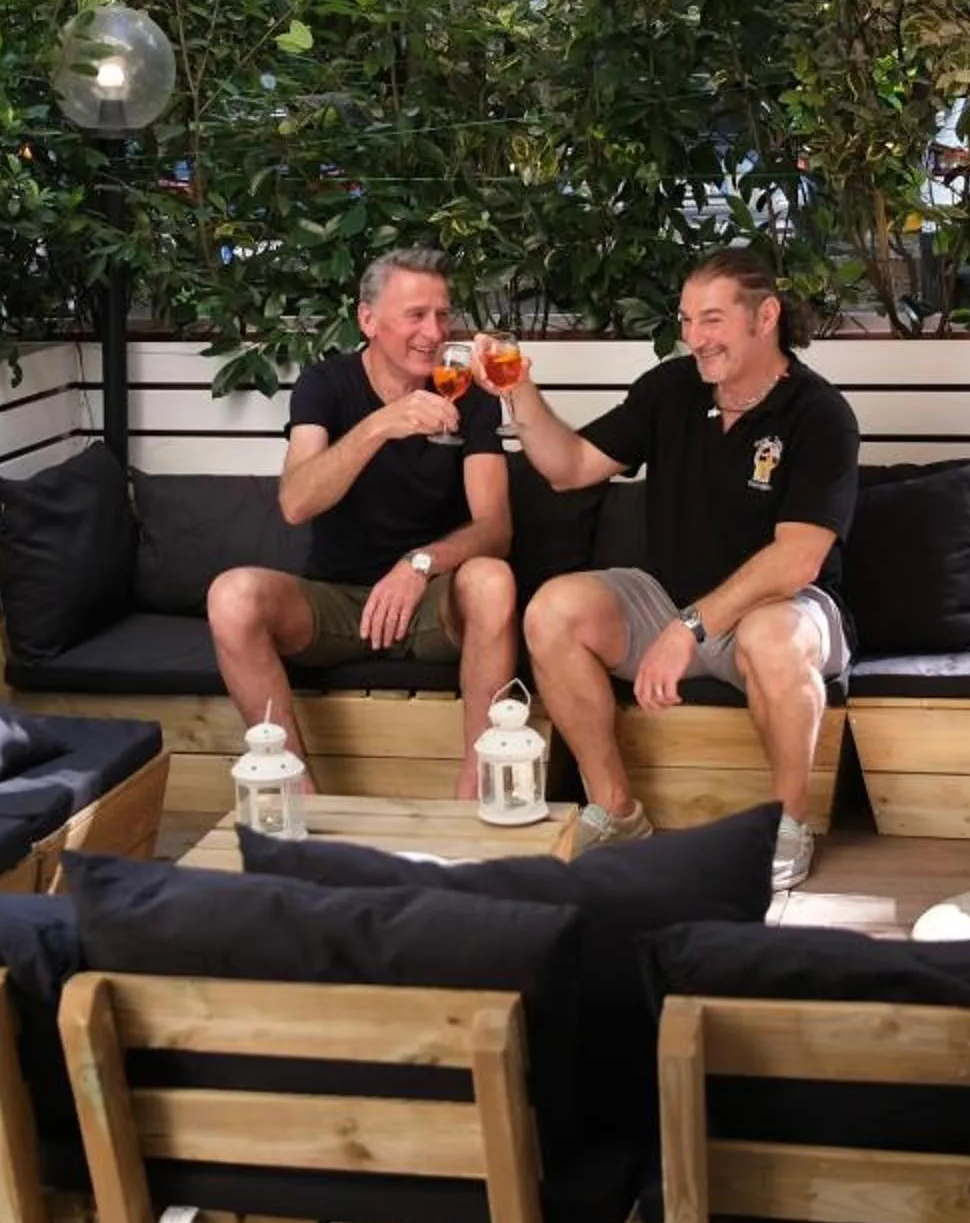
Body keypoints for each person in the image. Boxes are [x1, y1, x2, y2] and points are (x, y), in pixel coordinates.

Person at [479, 246, 857, 889]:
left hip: (781, 610)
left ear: (764, 317)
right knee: (552, 609)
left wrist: (689, 627)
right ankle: (617, 811)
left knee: (771, 635)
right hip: (665, 596)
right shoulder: (670, 389)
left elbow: (797, 559)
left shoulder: (819, 414)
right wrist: (520, 394)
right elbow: (569, 468)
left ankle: (787, 826)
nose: (693, 339)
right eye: (685, 321)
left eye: (711, 320)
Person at [206, 247, 518, 799]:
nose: (433, 331)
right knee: (231, 596)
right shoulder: (326, 385)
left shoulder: (467, 392)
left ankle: (476, 791)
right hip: (336, 602)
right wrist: (379, 427)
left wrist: (419, 564)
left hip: (430, 603)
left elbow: (495, 528)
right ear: (367, 320)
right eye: (415, 315)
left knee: (493, 578)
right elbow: (296, 502)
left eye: (443, 315)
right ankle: (293, 792)